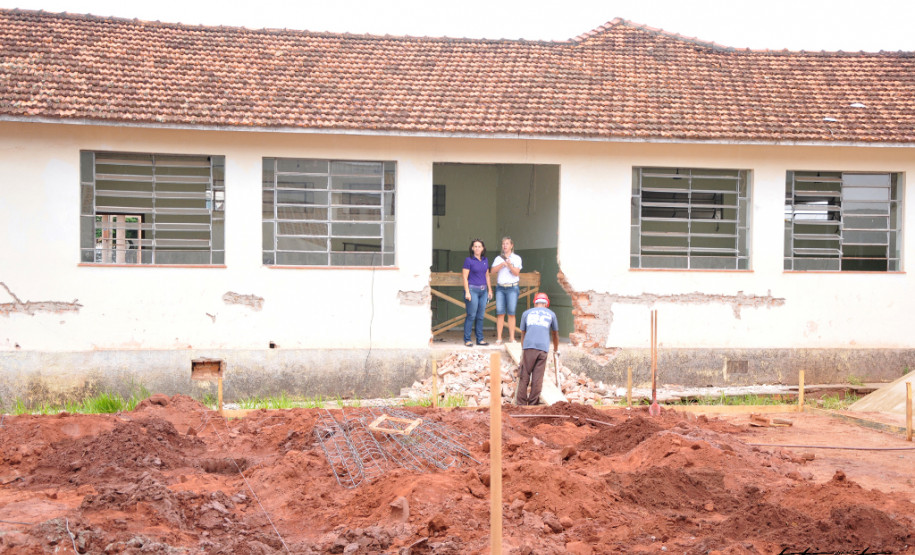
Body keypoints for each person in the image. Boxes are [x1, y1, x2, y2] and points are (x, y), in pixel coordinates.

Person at [516, 292, 560, 406]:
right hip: (543, 348)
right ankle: (533, 405)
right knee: (537, 378)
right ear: (546, 304)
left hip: (529, 347)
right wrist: (555, 349)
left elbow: (523, 334)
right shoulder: (551, 314)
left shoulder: (526, 313)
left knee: (524, 375)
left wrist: (523, 349)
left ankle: (520, 404)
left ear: (535, 303)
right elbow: (555, 334)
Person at [491, 236, 522, 345]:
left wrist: (509, 265)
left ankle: (512, 338)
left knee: (511, 313)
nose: (505, 246)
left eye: (507, 244)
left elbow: (516, 273)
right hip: (500, 288)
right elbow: (492, 271)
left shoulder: (517, 258)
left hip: (512, 287)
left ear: (511, 246)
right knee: (500, 313)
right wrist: (502, 264)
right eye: (503, 244)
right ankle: (499, 338)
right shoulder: (498, 258)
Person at [462, 238, 492, 347]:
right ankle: (467, 339)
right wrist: (467, 292)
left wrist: (490, 290)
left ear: (483, 248)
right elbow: (465, 277)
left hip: (483, 291)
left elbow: (487, 276)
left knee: (480, 316)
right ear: (472, 248)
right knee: (471, 315)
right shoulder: (468, 260)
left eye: (479, 246)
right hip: (472, 290)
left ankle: (480, 339)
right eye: (475, 246)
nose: (477, 248)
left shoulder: (485, 260)